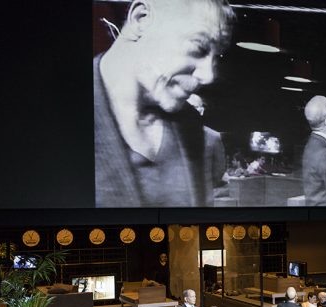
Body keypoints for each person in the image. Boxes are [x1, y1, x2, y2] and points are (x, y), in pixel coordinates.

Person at [94, 0, 235, 207]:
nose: (209, 75)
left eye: (216, 57)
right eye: (199, 47)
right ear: (141, 19)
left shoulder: (190, 123)